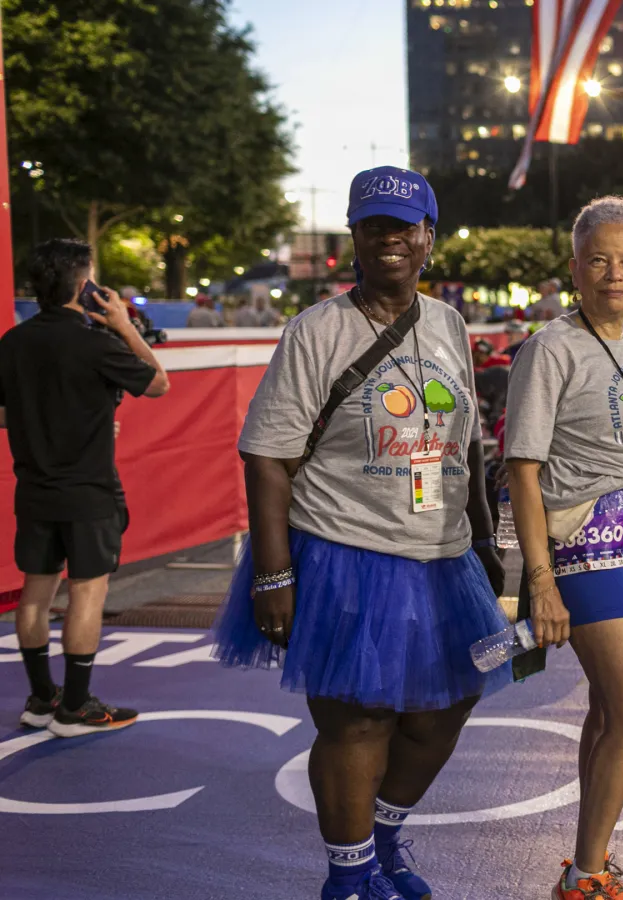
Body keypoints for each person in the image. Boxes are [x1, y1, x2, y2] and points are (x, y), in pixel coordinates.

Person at [210, 166, 509, 900]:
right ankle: (348, 879)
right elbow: (268, 454)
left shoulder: (447, 323)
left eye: (404, 227)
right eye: (374, 226)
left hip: (440, 555)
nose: (390, 240)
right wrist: (273, 574)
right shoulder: (318, 329)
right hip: (342, 550)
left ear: (429, 238)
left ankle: (382, 839)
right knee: (359, 722)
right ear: (354, 237)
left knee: (445, 707)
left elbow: (464, 442)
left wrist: (483, 538)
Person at [502, 196, 623, 900]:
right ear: (574, 267)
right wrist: (537, 581)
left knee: (608, 710)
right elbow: (521, 468)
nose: (614, 274)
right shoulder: (550, 348)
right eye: (599, 260)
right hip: (588, 533)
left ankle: (588, 860)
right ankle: (586, 875)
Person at [2, 239, 171, 736]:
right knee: (86, 594)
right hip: (88, 492)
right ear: (85, 284)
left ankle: (40, 699)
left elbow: (6, 410)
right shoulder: (96, 340)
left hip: (33, 489)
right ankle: (75, 708)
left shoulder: (13, 341)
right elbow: (158, 383)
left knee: (34, 594)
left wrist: (53, 422)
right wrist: (121, 323)